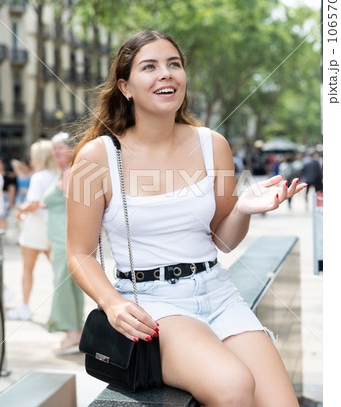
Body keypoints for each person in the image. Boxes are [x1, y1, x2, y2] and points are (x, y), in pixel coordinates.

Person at [67, 30, 307, 406]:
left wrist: (243, 208)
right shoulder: (94, 159)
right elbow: (79, 253)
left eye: (173, 64)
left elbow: (223, 240)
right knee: (232, 385)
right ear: (125, 86)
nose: (166, 74)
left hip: (218, 292)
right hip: (152, 302)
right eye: (150, 66)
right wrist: (112, 303)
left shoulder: (214, 145)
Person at [7, 140, 58, 321]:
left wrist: (21, 208)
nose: (30, 158)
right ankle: (62, 309)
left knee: (28, 269)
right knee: (58, 270)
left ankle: (25, 307)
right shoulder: (58, 175)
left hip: (36, 226)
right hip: (54, 225)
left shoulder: (39, 176)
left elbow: (34, 203)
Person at [44, 132, 84, 354]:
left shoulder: (70, 172)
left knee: (63, 285)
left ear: (71, 149)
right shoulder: (65, 173)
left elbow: (77, 206)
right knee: (68, 285)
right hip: (61, 239)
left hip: (65, 240)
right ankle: (74, 332)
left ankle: (72, 334)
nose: (56, 152)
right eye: (54, 148)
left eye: (61, 148)